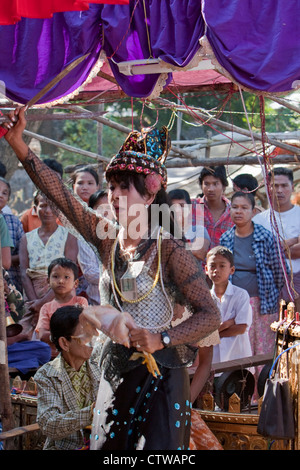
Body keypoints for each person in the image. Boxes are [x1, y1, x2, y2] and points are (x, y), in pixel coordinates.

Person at [3, 109, 221, 451]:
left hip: (161, 377)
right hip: (116, 370)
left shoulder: (170, 250)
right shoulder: (106, 238)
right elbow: (60, 194)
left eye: (125, 188)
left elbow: (211, 314)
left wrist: (160, 338)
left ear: (150, 195)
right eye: (113, 187)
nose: (115, 195)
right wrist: (18, 144)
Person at [220, 191, 287, 360]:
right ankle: (242, 386)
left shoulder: (266, 237)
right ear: (230, 210)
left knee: (262, 347)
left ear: (253, 211)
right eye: (235, 207)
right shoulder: (225, 238)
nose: (239, 211)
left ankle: (263, 385)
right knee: (238, 347)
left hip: (262, 303)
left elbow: (280, 272)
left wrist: (272, 295)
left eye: (244, 207)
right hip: (234, 304)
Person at [33, 305, 102, 450]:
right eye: (85, 336)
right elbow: (49, 424)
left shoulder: (99, 366)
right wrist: (90, 413)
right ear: (65, 343)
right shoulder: (47, 375)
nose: (92, 341)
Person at [15, 191, 78, 343]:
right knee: (26, 334)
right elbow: (24, 273)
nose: (48, 210)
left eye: (52, 206)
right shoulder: (26, 239)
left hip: (61, 293)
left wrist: (43, 303)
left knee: (62, 335)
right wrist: (35, 303)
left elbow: (69, 272)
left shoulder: (68, 236)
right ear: (35, 208)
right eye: (43, 206)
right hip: (32, 294)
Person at [253, 167, 300, 312]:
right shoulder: (258, 220)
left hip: (298, 282)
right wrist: (294, 240)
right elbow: (260, 254)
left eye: (284, 185)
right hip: (270, 286)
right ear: (268, 188)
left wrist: (276, 248)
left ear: (292, 187)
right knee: (273, 331)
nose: (279, 190)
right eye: (275, 185)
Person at [205, 246, 252, 365]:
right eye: (212, 266)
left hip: (238, 357)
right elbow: (203, 332)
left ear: (232, 270)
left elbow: (241, 328)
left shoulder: (241, 295)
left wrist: (214, 334)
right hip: (213, 360)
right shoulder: (205, 299)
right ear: (206, 269)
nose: (216, 270)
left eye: (222, 266)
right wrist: (226, 324)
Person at [36, 257, 88, 358]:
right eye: (55, 276)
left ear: (76, 283)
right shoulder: (46, 308)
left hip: (76, 353)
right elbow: (42, 335)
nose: (60, 281)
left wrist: (60, 335)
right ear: (48, 281)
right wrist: (61, 338)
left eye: (66, 277)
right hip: (53, 355)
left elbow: (84, 328)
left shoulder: (80, 302)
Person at [77, 190, 112, 305]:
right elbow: (90, 273)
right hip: (98, 302)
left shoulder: (124, 234)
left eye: (109, 207)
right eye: (100, 208)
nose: (105, 212)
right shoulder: (85, 238)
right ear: (91, 211)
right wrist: (118, 277)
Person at [192, 166, 234, 249]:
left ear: (224, 186)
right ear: (201, 185)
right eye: (206, 184)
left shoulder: (233, 211)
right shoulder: (191, 206)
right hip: (194, 261)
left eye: (215, 184)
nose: (210, 189)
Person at [20, 158, 63, 233]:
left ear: (61, 182)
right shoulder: (28, 216)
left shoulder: (71, 215)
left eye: (55, 180)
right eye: (47, 179)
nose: (51, 185)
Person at [168, 188, 210, 263]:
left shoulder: (199, 230)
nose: (177, 210)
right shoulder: (162, 231)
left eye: (181, 206)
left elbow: (199, 252)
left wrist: (170, 249)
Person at [0, 176, 25, 292]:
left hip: (11, 279)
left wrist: (8, 258)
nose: (0, 195)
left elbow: (23, 253)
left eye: (4, 193)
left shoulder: (13, 221)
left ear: (8, 198)